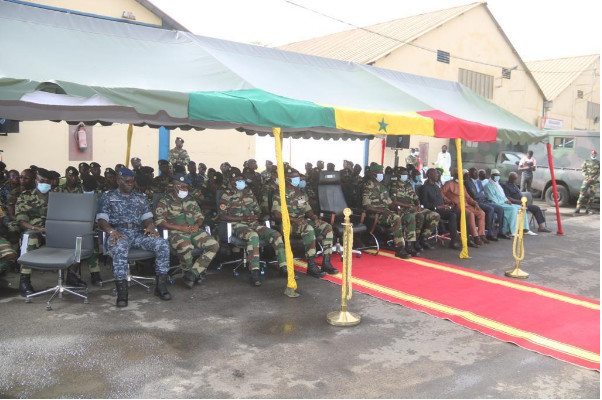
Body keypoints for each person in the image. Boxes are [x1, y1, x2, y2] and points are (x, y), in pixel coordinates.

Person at [97, 167, 172, 307]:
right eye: (126, 181)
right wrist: (111, 231)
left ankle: (160, 286)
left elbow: (147, 217)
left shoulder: (140, 197)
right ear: (119, 181)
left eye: (132, 181)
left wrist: (150, 226)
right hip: (119, 234)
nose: (130, 184)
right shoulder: (108, 197)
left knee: (162, 244)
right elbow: (102, 220)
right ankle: (122, 293)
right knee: (120, 248)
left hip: (138, 234)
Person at [16, 168, 87, 296]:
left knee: (77, 240)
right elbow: (21, 221)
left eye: (47, 182)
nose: (44, 184)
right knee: (30, 239)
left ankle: (71, 276)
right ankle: (24, 281)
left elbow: (68, 215)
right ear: (36, 181)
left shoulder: (58, 195)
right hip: (35, 231)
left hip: (56, 231)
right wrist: (36, 229)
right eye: (41, 181)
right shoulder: (25, 196)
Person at [218, 169, 287, 286]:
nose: (241, 182)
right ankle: (254, 272)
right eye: (237, 180)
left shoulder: (249, 193)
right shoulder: (226, 195)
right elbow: (222, 216)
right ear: (232, 182)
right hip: (238, 225)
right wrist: (242, 219)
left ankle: (283, 267)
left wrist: (255, 216)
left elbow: (258, 212)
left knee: (275, 235)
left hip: (253, 223)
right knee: (253, 236)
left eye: (241, 180)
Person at [155, 174, 219, 288]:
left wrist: (197, 224)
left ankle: (192, 274)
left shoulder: (191, 199)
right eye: (181, 187)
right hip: (176, 232)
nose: (185, 190)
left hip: (194, 230)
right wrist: (180, 228)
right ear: (174, 186)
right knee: (186, 247)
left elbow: (200, 216)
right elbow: (160, 221)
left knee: (214, 245)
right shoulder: (165, 201)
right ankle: (189, 273)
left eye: (186, 187)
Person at [271, 168, 337, 278]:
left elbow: (308, 210)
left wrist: (315, 218)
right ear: (287, 179)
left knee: (327, 227)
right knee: (309, 229)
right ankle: (311, 266)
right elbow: (277, 214)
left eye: (298, 177)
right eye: (295, 178)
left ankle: (326, 262)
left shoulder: (301, 193)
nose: (298, 180)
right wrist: (294, 220)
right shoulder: (280, 193)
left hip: (303, 221)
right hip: (289, 224)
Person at [362, 164, 411, 259]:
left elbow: (389, 203)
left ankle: (409, 245)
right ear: (373, 174)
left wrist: (398, 209)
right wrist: (383, 211)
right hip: (376, 215)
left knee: (408, 216)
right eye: (379, 173)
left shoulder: (383, 187)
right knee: (395, 218)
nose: (382, 175)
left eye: (382, 173)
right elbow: (367, 206)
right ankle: (399, 248)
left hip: (387, 213)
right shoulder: (367, 186)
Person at [389, 167, 439, 251]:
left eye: (406, 174)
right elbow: (393, 201)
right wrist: (409, 206)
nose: (406, 176)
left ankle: (423, 238)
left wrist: (418, 204)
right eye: (403, 174)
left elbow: (415, 197)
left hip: (413, 207)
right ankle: (413, 242)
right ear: (398, 175)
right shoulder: (394, 185)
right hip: (403, 209)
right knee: (419, 216)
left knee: (435, 215)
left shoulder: (408, 184)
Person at [441, 169, 488, 247]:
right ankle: (475, 237)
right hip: (457, 206)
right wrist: (449, 201)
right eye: (458, 175)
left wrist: (475, 203)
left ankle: (481, 235)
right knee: (470, 214)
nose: (460, 176)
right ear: (455, 175)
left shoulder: (462, 185)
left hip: (466, 205)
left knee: (481, 213)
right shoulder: (449, 184)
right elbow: (441, 193)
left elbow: (468, 197)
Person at [419, 168, 461, 249]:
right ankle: (454, 241)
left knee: (461, 213)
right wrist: (438, 207)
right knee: (452, 216)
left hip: (442, 208)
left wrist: (447, 205)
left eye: (437, 173)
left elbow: (441, 200)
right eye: (435, 173)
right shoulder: (425, 187)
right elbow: (424, 204)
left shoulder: (436, 186)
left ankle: (464, 238)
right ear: (429, 175)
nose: (437, 175)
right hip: (433, 210)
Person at [484, 169, 535, 237]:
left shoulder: (497, 185)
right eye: (496, 175)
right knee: (513, 209)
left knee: (522, 208)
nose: (497, 177)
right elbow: (492, 198)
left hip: (504, 202)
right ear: (491, 175)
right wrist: (504, 201)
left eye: (498, 175)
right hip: (497, 204)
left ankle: (524, 229)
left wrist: (506, 200)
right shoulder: (488, 185)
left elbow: (503, 195)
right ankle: (512, 231)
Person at [464, 167, 505, 241]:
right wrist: (481, 194)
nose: (476, 174)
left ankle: (501, 231)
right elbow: (474, 195)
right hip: (476, 202)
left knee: (500, 209)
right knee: (490, 209)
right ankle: (489, 232)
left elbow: (485, 194)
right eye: (474, 173)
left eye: (477, 172)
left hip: (484, 201)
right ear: (470, 174)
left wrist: (480, 194)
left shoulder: (479, 182)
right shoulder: (467, 182)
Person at [574, 149, 600, 215]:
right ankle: (578, 208)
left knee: (592, 196)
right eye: (592, 154)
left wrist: (594, 178)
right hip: (586, 180)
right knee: (582, 194)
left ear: (596, 155)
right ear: (591, 154)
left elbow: (599, 172)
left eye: (594, 154)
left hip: (594, 181)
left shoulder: (598, 163)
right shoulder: (586, 161)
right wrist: (588, 177)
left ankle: (588, 210)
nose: (593, 155)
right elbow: (583, 170)